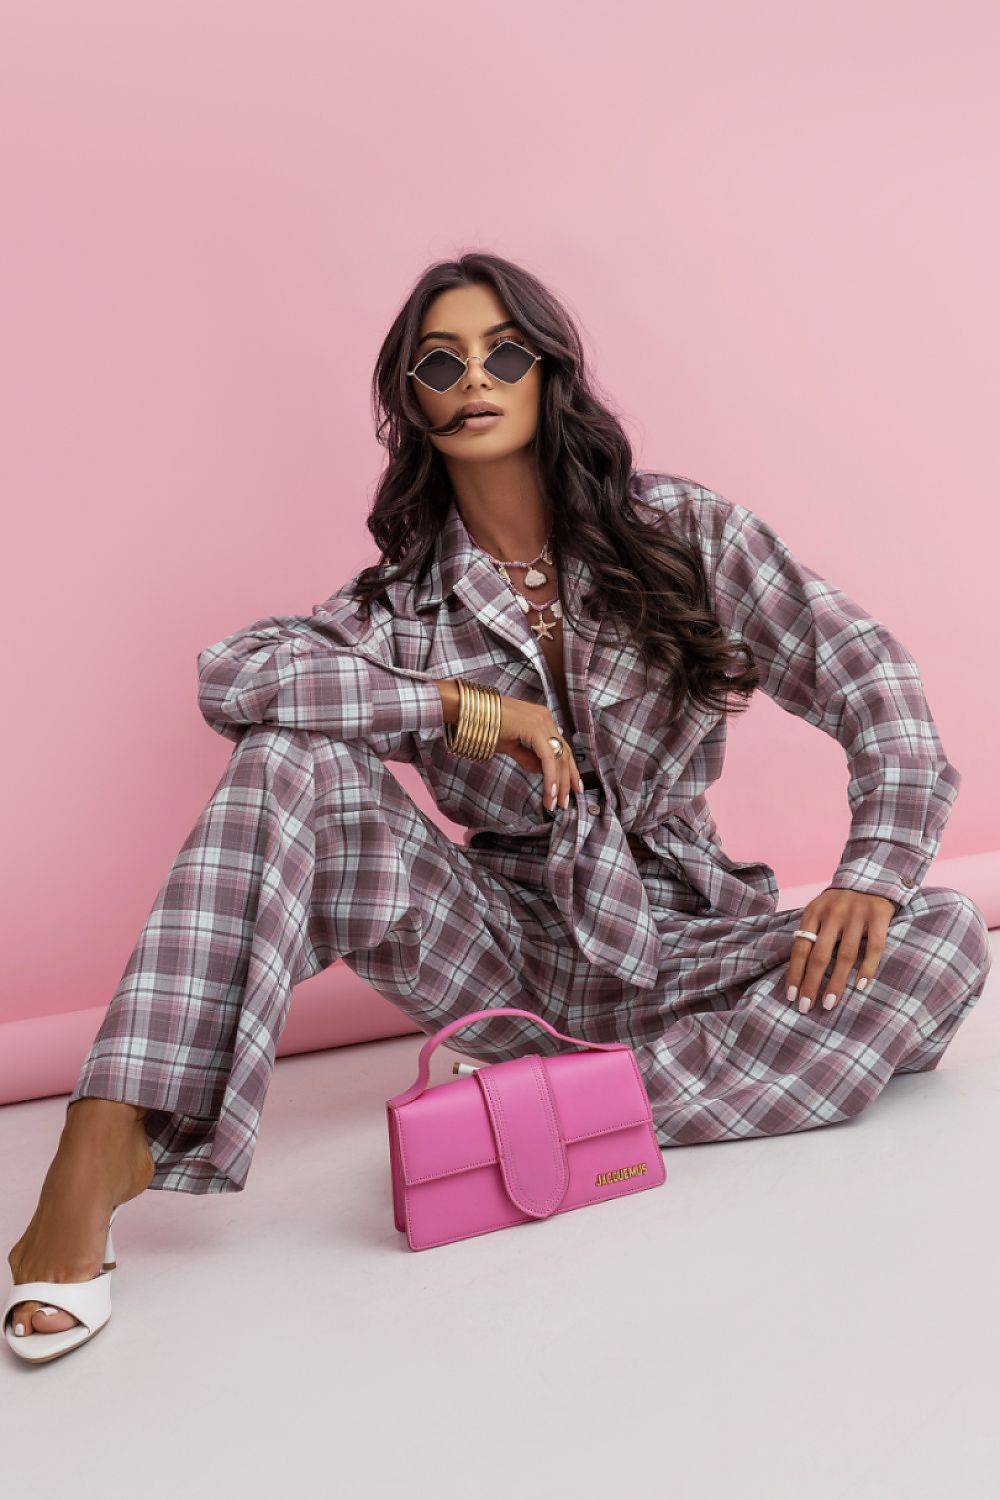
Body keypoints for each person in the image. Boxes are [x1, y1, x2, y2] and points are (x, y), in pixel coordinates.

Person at [6, 252, 991, 1360]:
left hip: (692, 937)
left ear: (545, 375)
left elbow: (866, 675)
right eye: (440, 363)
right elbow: (234, 677)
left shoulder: (682, 533)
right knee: (291, 759)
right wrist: (463, 709)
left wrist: (871, 868)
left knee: (943, 933)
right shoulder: (403, 600)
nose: (474, 378)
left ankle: (570, 1110)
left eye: (502, 353)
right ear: (412, 403)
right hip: (509, 954)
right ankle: (103, 1142)